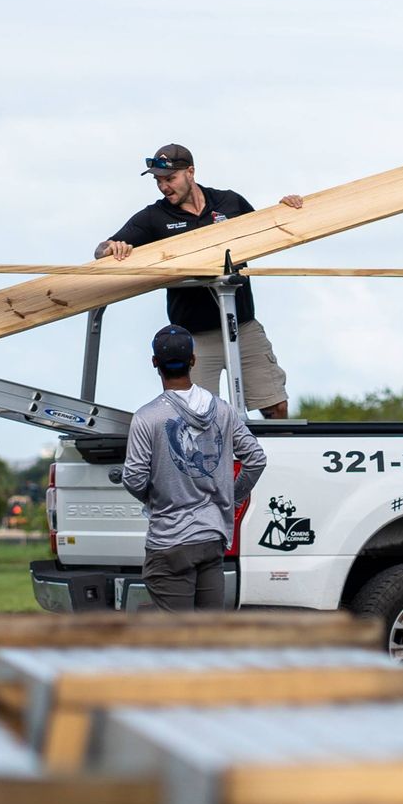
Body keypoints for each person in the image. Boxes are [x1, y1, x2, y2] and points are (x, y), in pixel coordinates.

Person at [97, 143, 305, 418]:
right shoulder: (154, 217)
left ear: (190, 172)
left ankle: (274, 460)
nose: (164, 187)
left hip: (242, 327)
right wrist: (111, 248)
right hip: (195, 337)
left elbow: (265, 228)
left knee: (276, 407)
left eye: (169, 179)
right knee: (197, 417)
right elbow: (101, 250)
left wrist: (286, 208)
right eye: (159, 181)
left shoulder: (229, 202)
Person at [121, 325, 266, 611]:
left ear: (154, 363)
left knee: (179, 642)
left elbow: (134, 477)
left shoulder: (147, 417)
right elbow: (256, 459)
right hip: (211, 539)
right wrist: (230, 498)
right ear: (193, 360)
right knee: (207, 639)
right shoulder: (223, 410)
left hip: (170, 543)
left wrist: (158, 498)